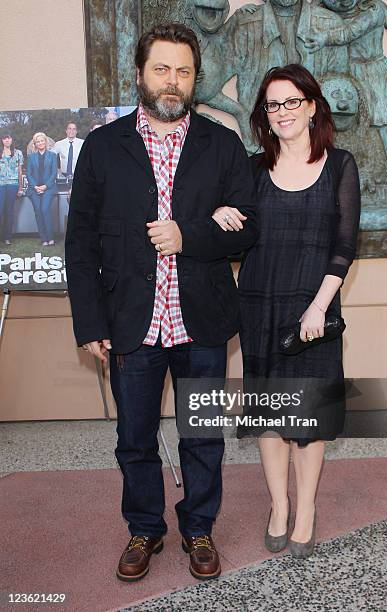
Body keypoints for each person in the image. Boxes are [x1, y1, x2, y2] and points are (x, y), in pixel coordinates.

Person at [65, 22, 258, 582]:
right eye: (162, 69)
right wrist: (89, 322)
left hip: (200, 326)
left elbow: (244, 227)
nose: (172, 82)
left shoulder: (221, 145)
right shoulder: (104, 147)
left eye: (184, 71)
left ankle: (199, 527)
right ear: (141, 74)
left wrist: (190, 235)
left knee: (202, 435)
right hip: (131, 324)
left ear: (195, 79)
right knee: (134, 438)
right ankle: (144, 527)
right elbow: (80, 242)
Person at [212, 64, 360, 558]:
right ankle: (278, 505)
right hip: (259, 303)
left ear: (313, 105)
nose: (282, 113)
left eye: (291, 101)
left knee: (309, 422)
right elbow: (226, 216)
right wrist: (218, 212)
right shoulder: (252, 169)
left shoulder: (341, 166)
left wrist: (320, 304)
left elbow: (344, 245)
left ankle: (308, 509)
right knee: (270, 418)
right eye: (273, 105)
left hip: (313, 310)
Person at [26, 132, 58, 246]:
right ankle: (44, 238)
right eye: (38, 141)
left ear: (45, 141)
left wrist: (45, 186)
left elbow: (54, 173)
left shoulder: (53, 156)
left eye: (42, 140)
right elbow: (28, 174)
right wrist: (35, 186)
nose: (40, 143)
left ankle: (50, 237)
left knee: (45, 209)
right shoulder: (31, 157)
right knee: (38, 211)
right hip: (34, 189)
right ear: (35, 144)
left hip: (48, 188)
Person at [0, 131, 24, 245]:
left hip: (13, 185)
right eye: (4, 139)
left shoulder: (18, 153)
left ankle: (7, 237)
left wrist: (20, 188)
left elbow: (20, 172)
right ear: (2, 140)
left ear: (12, 139)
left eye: (8, 138)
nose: (7, 140)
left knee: (9, 211)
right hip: (1, 185)